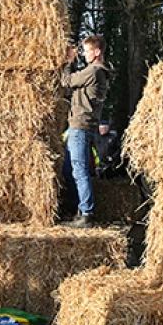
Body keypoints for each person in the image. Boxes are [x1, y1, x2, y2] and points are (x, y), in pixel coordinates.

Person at [60, 35, 115, 228]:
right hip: (82, 126)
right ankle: (79, 208)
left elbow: (67, 81)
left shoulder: (94, 71)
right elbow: (77, 81)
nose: (83, 54)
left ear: (97, 52)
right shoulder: (96, 72)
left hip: (80, 126)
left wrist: (68, 61)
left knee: (80, 171)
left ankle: (87, 213)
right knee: (69, 170)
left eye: (86, 50)